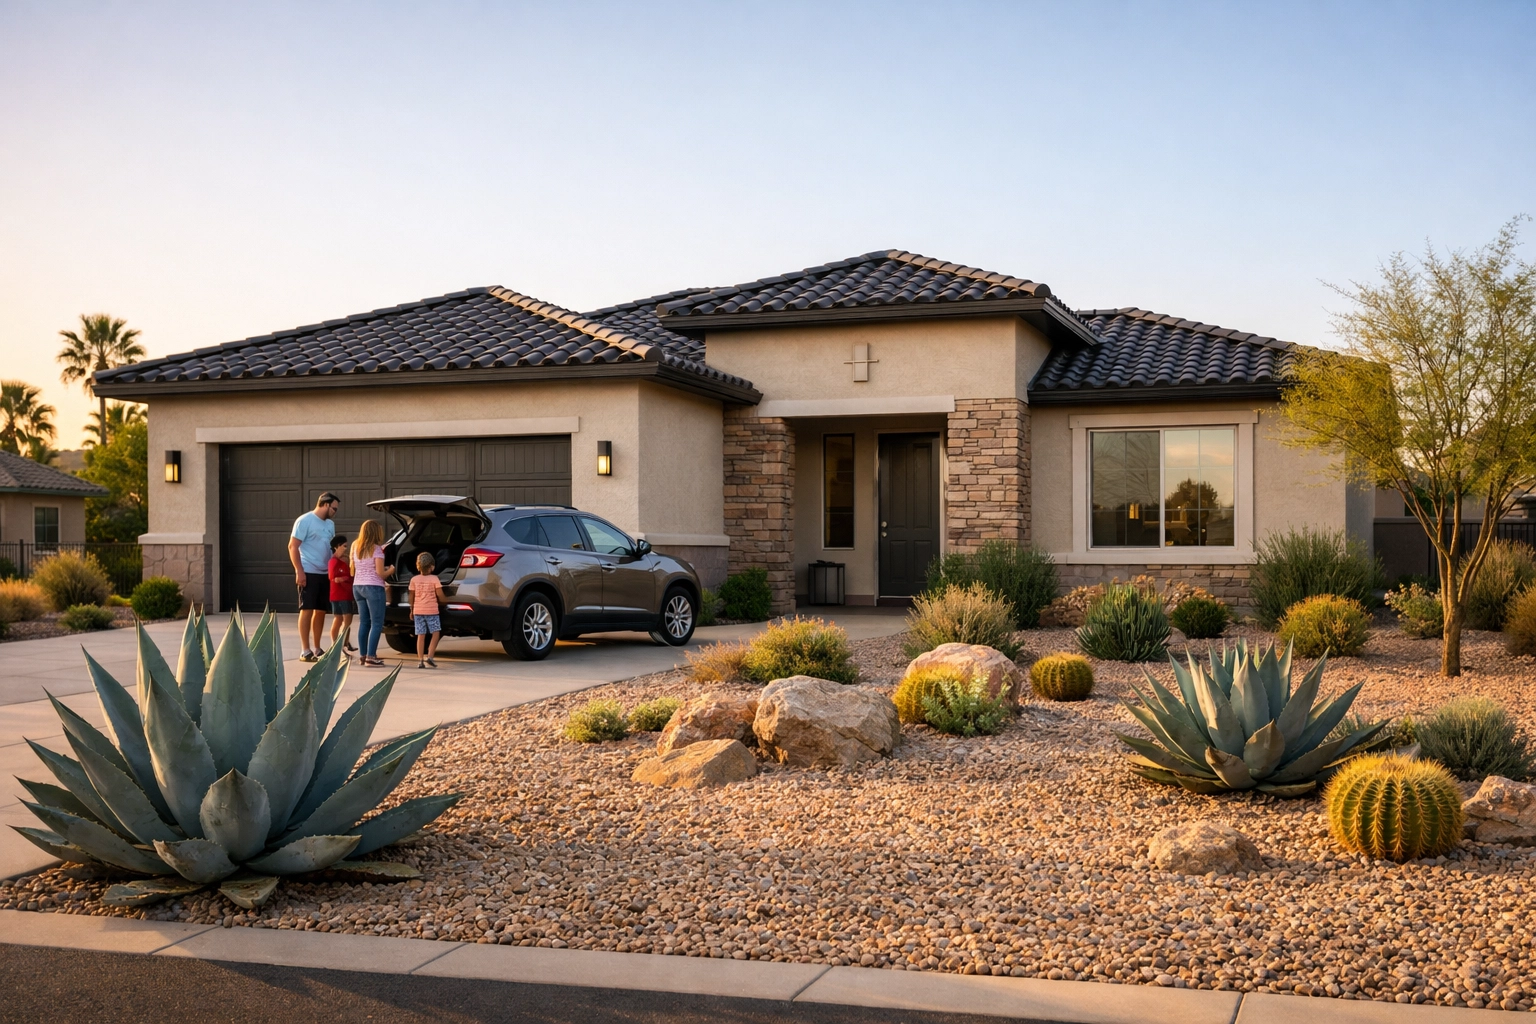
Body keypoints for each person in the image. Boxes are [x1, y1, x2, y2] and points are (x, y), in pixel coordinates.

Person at [288, 492, 340, 662]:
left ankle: (317, 648)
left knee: (321, 611)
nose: (334, 512)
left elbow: (332, 548)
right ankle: (305, 650)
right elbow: (293, 546)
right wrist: (299, 570)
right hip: (308, 570)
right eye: (333, 508)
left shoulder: (330, 524)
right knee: (307, 609)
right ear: (325, 504)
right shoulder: (304, 521)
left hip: (325, 573)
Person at [351, 518, 394, 667]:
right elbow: (380, 573)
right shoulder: (377, 550)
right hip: (374, 587)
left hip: (357, 586)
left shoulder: (355, 546)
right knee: (377, 623)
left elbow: (353, 567)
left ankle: (363, 655)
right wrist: (392, 570)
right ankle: (371, 657)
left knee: (364, 622)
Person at [409, 551, 445, 669]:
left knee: (421, 635)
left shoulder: (414, 580)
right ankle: (430, 656)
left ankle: (420, 660)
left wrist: (411, 609)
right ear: (431, 567)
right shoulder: (434, 579)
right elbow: (440, 595)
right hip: (432, 611)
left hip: (418, 611)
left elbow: (411, 596)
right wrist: (448, 601)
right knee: (436, 633)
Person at [327, 535, 357, 657]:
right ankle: (338, 644)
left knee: (343, 620)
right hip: (340, 594)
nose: (346, 549)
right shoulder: (334, 561)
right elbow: (332, 577)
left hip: (344, 594)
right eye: (344, 546)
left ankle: (344, 642)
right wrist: (344, 578)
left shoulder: (343, 561)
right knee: (344, 619)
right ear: (337, 547)